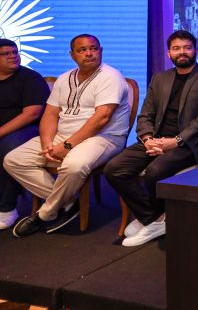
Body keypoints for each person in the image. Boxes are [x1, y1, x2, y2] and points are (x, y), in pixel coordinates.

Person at [104, 30, 198, 246]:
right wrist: (147, 138)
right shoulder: (160, 78)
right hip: (157, 140)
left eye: (187, 47)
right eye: (176, 48)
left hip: (191, 144)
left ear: (196, 50)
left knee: (155, 172)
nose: (182, 52)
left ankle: (152, 219)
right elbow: (146, 114)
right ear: (169, 53)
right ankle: (154, 218)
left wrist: (175, 141)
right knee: (114, 168)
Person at [4, 34, 131, 237]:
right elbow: (50, 113)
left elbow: (102, 118)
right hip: (63, 135)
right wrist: (47, 142)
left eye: (93, 49)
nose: (89, 53)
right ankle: (69, 203)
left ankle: (44, 214)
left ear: (101, 51)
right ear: (72, 55)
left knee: (74, 165)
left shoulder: (111, 76)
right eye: (82, 50)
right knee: (14, 160)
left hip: (103, 137)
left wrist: (67, 146)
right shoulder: (64, 78)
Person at [0, 39, 49, 230]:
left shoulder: (30, 78)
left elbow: (32, 114)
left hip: (29, 130)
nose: (13, 56)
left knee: (8, 148)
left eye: (15, 52)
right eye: (6, 53)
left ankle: (7, 207)